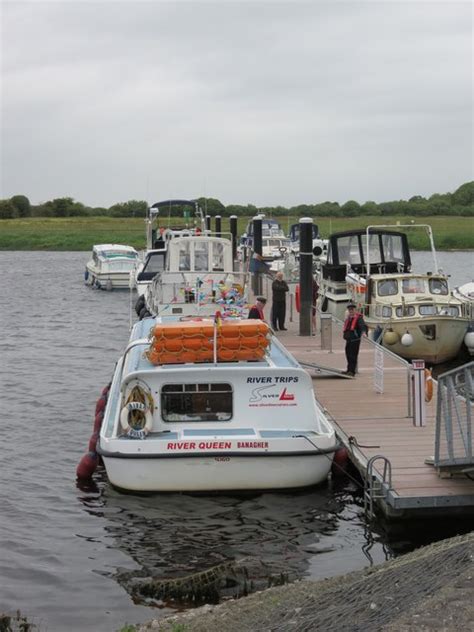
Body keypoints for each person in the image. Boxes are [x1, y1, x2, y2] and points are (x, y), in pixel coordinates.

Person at [342, 302, 368, 376]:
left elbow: (362, 326)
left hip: (355, 340)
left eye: (352, 309)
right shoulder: (349, 318)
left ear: (355, 310)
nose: (351, 311)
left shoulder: (359, 318)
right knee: (348, 354)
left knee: (353, 355)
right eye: (349, 309)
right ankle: (349, 369)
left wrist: (363, 332)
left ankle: (352, 371)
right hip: (348, 340)